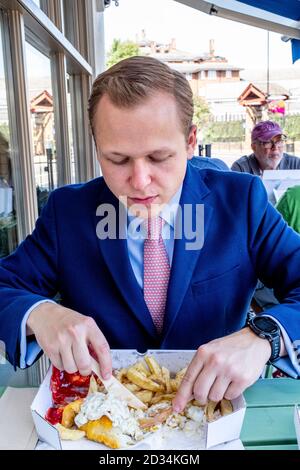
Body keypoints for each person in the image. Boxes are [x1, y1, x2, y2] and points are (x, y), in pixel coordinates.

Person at [1, 57, 300, 414]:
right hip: (104, 417)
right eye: (118, 159)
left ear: (190, 142)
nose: (140, 182)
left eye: (159, 157)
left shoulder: (242, 201)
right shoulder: (69, 212)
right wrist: (41, 313)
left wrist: (263, 336)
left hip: (217, 412)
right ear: (97, 148)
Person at [231, 120, 300, 176]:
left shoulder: (296, 165)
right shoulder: (241, 169)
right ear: (254, 147)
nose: (275, 148)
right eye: (268, 143)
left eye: (279, 142)